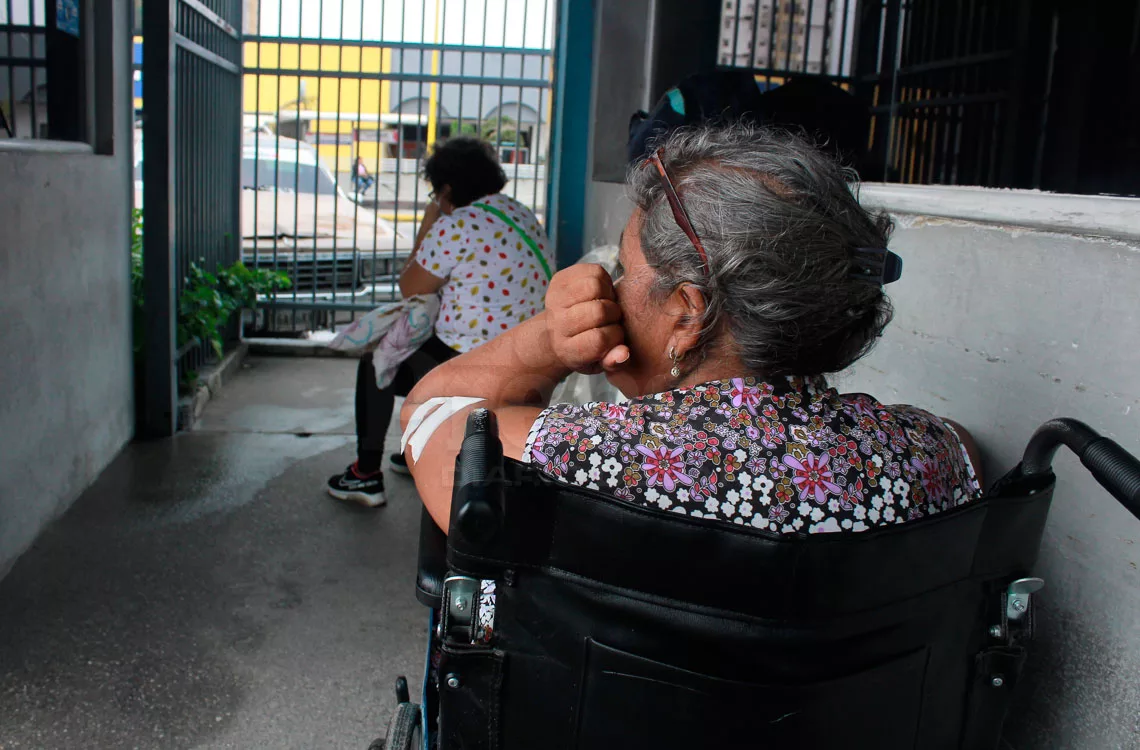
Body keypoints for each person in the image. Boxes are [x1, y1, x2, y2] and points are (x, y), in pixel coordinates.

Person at [399, 124, 983, 535]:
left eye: (626, 268)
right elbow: (965, 449)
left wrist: (552, 339)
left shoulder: (576, 459)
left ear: (688, 314)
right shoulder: (935, 456)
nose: (610, 284)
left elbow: (428, 410)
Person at [327, 137, 553, 507]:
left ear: (446, 189)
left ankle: (364, 475)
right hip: (529, 354)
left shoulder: (457, 224)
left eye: (436, 193)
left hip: (475, 363)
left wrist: (428, 223)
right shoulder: (518, 212)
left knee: (377, 363)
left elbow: (410, 287)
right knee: (422, 346)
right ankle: (420, 446)